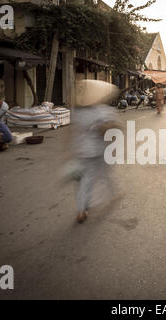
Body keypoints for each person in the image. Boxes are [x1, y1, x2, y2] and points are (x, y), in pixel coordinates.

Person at [65, 80, 122, 224]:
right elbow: (112, 131)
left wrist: (67, 151)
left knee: (84, 180)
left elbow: (72, 131)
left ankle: (81, 209)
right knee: (105, 174)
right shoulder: (104, 110)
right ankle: (113, 194)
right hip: (99, 150)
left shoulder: (76, 111)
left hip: (82, 150)